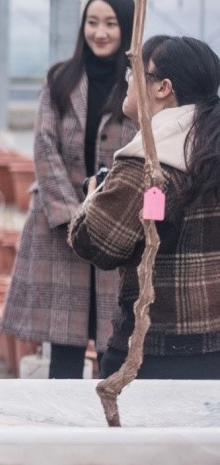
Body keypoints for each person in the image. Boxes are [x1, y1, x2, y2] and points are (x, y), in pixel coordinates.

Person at [1, 0, 137, 378]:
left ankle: (109, 410)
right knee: (64, 339)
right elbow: (45, 148)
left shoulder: (138, 86)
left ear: (127, 28)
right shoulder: (61, 78)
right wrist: (71, 215)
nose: (100, 32)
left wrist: (106, 213)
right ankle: (61, 413)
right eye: (92, 22)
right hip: (59, 224)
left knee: (114, 337)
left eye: (111, 24)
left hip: (116, 224)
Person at [70, 35, 220, 379]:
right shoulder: (210, 144)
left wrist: (93, 196)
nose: (127, 82)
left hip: (154, 348)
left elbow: (98, 244)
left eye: (134, 72)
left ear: (162, 88)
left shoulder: (150, 160)